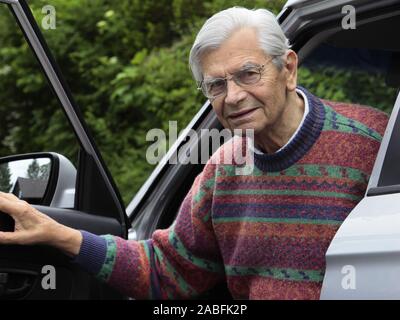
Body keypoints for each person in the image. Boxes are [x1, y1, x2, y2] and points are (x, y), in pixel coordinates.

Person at [0, 7, 389, 299]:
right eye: (216, 85)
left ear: (288, 69)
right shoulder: (223, 169)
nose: (233, 96)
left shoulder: (375, 141)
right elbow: (168, 269)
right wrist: (57, 234)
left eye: (248, 74)